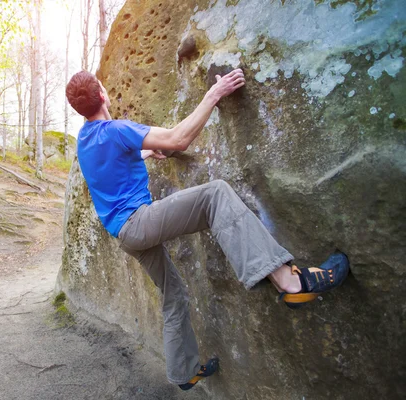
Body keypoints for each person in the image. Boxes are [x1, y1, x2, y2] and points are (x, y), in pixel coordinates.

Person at [65, 69, 349, 391]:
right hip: (139, 223)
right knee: (215, 194)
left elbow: (111, 165)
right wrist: (215, 94)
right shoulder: (117, 130)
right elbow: (178, 139)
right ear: (103, 95)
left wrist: (143, 152)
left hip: (125, 237)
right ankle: (289, 281)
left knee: (173, 294)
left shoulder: (85, 141)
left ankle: (183, 372)